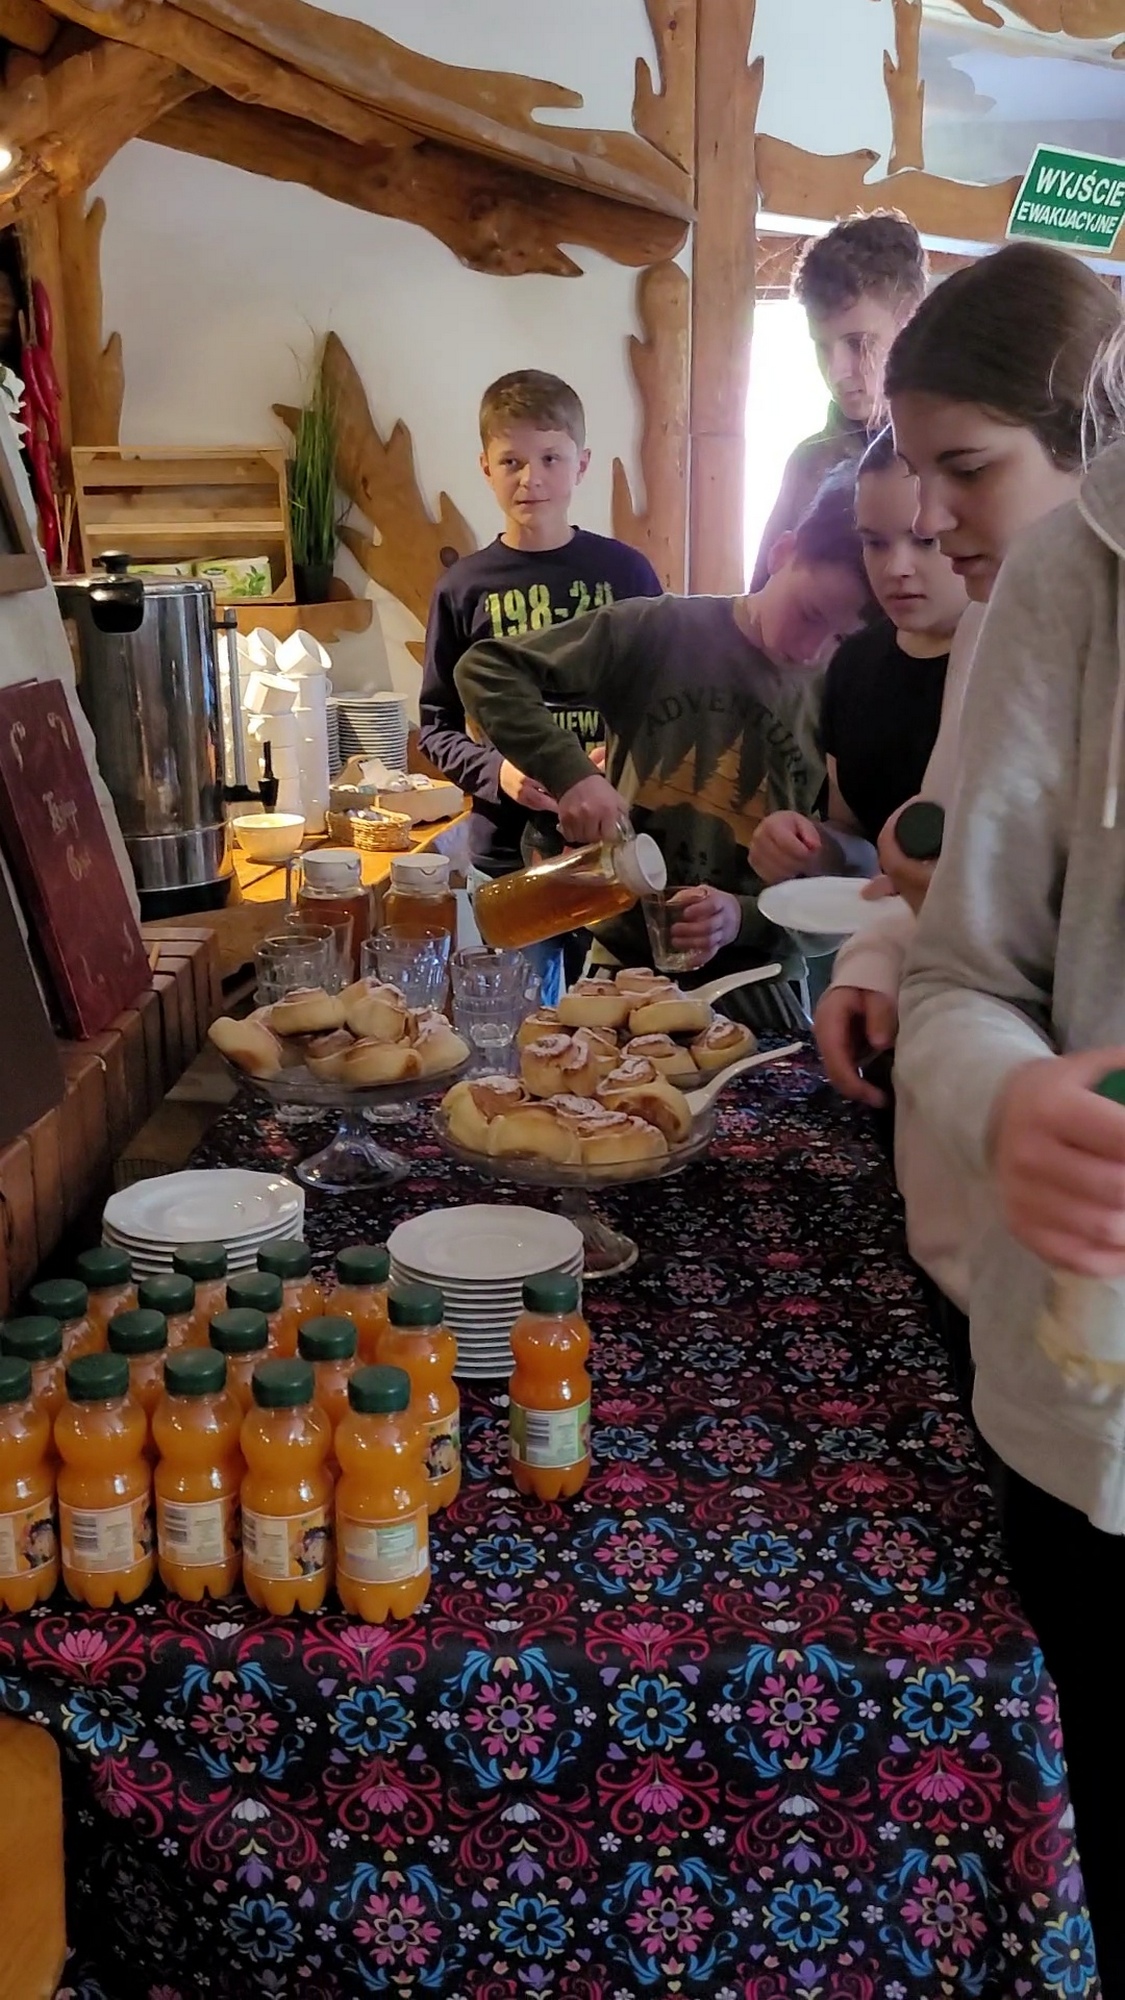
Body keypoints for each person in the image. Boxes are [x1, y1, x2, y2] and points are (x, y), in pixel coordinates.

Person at [894, 322, 1125, 1998]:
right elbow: (962, 974)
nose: (930, 520)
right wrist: (1008, 1098)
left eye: (958, 470)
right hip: (1092, 1421)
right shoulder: (1075, 576)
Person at [813, 242, 1123, 1323]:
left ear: (1094, 444)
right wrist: (881, 955)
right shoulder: (1003, 622)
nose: (932, 519)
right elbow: (967, 900)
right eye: (916, 471)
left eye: (970, 470)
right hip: (997, 1239)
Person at [455, 468, 873, 1029]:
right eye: (810, 615)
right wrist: (571, 773)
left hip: (758, 980)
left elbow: (851, 880)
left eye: (841, 638)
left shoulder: (847, 693)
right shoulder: (659, 630)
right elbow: (487, 670)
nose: (810, 650)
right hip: (622, 969)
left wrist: (742, 917)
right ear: (782, 553)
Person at [418, 369, 662, 1001]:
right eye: (512, 461)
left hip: (615, 842)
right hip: (506, 850)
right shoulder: (461, 588)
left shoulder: (627, 573)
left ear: (582, 464)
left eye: (550, 457)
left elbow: (664, 700)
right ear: (485, 467)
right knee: (519, 1020)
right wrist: (497, 772)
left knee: (618, 1014)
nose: (531, 478)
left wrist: (622, 756)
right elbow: (437, 726)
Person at [749, 426, 967, 885]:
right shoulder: (854, 663)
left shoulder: (1018, 659)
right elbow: (853, 833)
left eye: (924, 541)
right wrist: (812, 847)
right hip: (876, 926)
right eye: (875, 542)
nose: (896, 568)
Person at [749, 212, 928, 590]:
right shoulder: (809, 464)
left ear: (912, 327)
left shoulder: (958, 459)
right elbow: (759, 605)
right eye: (822, 346)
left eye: (858, 343)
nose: (836, 372)